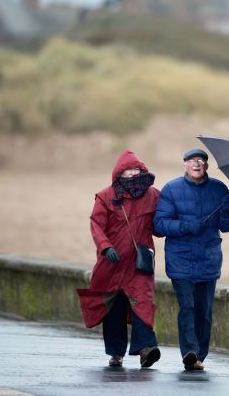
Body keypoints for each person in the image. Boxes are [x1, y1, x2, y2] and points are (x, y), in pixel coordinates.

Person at [154, 148, 229, 371]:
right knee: (187, 307)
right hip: (180, 260)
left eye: (201, 160)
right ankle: (189, 351)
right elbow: (159, 225)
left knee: (204, 310)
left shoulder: (219, 189)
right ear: (185, 165)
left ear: (207, 166)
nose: (197, 164)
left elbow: (227, 227)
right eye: (192, 161)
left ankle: (199, 355)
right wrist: (187, 226)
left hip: (208, 260)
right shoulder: (171, 189)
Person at [77, 150, 161, 368]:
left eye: (137, 169)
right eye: (128, 170)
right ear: (119, 173)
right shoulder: (105, 196)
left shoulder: (153, 195)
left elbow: (159, 227)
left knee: (142, 302)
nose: (133, 173)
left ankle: (146, 349)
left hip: (139, 264)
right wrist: (105, 247)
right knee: (114, 309)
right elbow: (96, 225)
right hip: (111, 264)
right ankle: (116, 353)